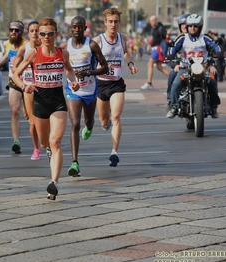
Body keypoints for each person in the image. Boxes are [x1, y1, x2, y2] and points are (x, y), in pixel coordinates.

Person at [12, 17, 80, 200]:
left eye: (50, 33)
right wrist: (25, 86)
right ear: (39, 36)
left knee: (56, 141)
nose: (46, 37)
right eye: (42, 34)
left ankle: (54, 182)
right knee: (44, 143)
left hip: (58, 102)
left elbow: (69, 70)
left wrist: (73, 82)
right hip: (40, 101)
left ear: (56, 34)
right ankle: (47, 150)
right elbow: (16, 73)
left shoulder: (62, 53)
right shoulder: (33, 54)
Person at [59, 16, 109, 176]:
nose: (76, 30)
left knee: (88, 121)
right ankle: (74, 163)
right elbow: (54, 57)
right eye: (74, 27)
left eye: (80, 27)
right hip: (73, 90)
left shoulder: (91, 45)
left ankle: (90, 125)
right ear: (71, 28)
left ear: (85, 28)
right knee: (74, 124)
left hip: (90, 90)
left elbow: (105, 67)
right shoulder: (65, 46)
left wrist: (89, 72)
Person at [93, 6, 138, 167]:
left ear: (119, 23)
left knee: (116, 117)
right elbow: (90, 59)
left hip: (117, 83)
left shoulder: (123, 38)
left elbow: (125, 52)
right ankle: (106, 124)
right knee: (104, 120)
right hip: (101, 83)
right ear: (105, 22)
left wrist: (130, 64)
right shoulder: (98, 41)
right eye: (110, 22)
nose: (113, 24)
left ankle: (114, 152)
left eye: (116, 22)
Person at [167, 14, 221, 119]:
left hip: (203, 68)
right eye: (190, 26)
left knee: (213, 82)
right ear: (187, 26)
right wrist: (171, 55)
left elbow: (215, 46)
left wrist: (218, 53)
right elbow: (173, 47)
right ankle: (174, 106)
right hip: (186, 68)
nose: (193, 28)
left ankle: (214, 107)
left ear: (200, 27)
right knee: (176, 84)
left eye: (195, 26)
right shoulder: (183, 37)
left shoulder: (205, 37)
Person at [0, 21, 27, 154]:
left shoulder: (26, 45)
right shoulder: (7, 43)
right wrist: (0, 62)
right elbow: (7, 55)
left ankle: (39, 142)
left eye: (17, 30)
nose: (13, 32)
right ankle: (16, 141)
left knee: (29, 115)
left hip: (27, 80)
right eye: (11, 30)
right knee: (15, 111)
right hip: (13, 80)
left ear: (21, 32)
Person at [12, 20, 41, 160]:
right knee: (32, 123)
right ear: (28, 33)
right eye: (32, 31)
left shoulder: (46, 47)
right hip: (28, 87)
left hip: (44, 88)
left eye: (37, 30)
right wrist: (14, 68)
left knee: (45, 120)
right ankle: (36, 148)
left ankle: (47, 144)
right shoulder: (24, 48)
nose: (35, 33)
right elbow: (16, 66)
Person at [166, 14, 189, 109]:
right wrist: (175, 65)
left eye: (186, 24)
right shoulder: (179, 38)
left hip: (197, 67)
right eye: (182, 24)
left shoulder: (199, 38)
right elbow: (170, 53)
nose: (184, 26)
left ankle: (212, 104)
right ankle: (171, 100)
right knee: (172, 75)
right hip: (181, 66)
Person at [141, 15, 169, 90]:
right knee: (159, 67)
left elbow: (165, 38)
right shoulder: (154, 29)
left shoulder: (161, 28)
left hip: (158, 49)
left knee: (149, 64)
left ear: (157, 20)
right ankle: (172, 79)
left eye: (153, 21)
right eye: (150, 21)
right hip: (155, 48)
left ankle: (149, 83)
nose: (151, 22)